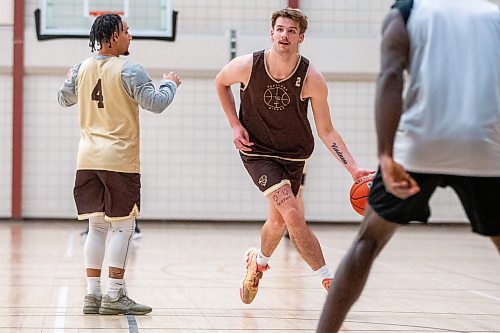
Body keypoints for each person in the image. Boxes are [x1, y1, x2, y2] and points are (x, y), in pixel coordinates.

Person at [317, 0, 500, 331]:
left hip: (420, 147)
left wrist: (385, 155)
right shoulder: (494, 15)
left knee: (367, 243)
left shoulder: (406, 11)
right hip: (484, 145)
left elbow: (390, 75)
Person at [215, 8, 372, 305]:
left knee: (277, 222)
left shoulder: (312, 78)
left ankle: (257, 262)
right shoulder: (249, 65)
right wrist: (235, 125)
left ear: (301, 37)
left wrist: (352, 169)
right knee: (293, 214)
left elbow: (327, 131)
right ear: (271, 33)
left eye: (290, 31)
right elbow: (220, 81)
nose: (284, 35)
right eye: (280, 29)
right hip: (258, 152)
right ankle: (329, 280)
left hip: (294, 156)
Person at [58, 13, 181, 315]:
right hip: (119, 159)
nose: (131, 36)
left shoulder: (81, 67)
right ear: (112, 36)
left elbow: (64, 99)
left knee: (96, 227)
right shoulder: (130, 69)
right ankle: (114, 294)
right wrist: (170, 85)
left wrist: (68, 79)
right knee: (123, 227)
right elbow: (156, 103)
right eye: (126, 31)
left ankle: (92, 295)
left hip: (87, 158)